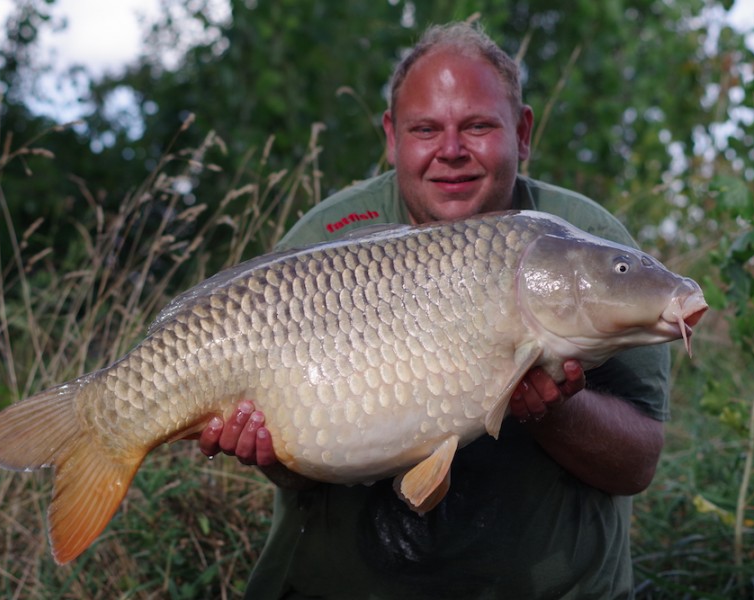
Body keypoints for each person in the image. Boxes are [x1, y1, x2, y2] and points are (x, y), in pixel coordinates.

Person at [199, 21, 669, 599]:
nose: (451, 152)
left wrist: (550, 410)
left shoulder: (583, 246)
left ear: (521, 134)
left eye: (477, 126)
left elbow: (636, 466)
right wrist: (268, 455)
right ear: (392, 137)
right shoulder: (327, 237)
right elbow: (300, 463)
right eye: (426, 130)